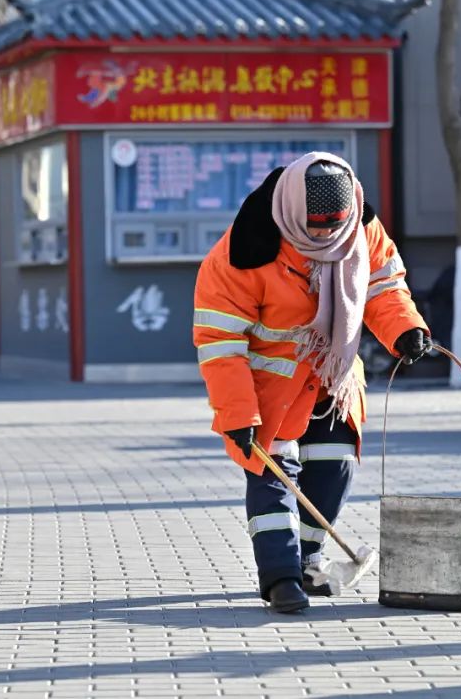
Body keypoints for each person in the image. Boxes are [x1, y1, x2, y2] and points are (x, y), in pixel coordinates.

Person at [193, 152, 430, 613]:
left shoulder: (360, 226)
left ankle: (307, 561)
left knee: (334, 466)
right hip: (268, 392)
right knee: (275, 477)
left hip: (332, 381)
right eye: (314, 228)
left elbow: (383, 285)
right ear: (293, 216)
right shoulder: (245, 251)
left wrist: (405, 329)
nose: (324, 236)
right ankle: (280, 578)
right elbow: (220, 342)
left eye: (333, 227)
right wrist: (236, 413)